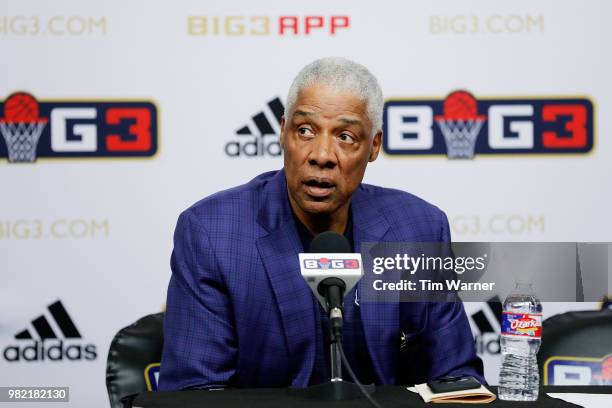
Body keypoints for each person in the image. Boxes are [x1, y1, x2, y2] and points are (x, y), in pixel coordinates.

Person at [159, 57, 484, 390]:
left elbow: (456, 379)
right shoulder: (214, 234)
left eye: (345, 136)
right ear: (283, 133)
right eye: (305, 131)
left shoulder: (418, 229)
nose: (322, 155)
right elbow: (194, 393)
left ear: (373, 147)